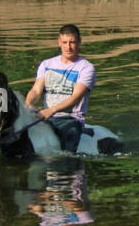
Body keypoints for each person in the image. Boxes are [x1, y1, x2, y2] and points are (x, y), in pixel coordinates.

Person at [26, 24, 96, 154]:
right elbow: (36, 91)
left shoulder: (86, 68)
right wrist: (28, 105)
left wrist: (51, 110)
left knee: (71, 136)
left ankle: (68, 167)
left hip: (70, 120)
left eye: (72, 42)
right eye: (64, 42)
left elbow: (75, 98)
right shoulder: (46, 64)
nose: (68, 47)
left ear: (79, 42)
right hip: (46, 117)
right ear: (59, 42)